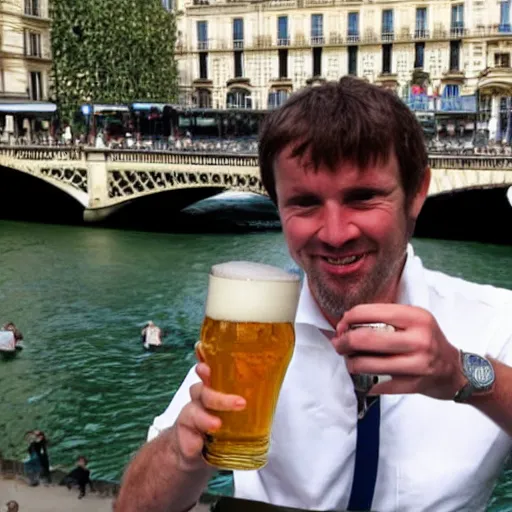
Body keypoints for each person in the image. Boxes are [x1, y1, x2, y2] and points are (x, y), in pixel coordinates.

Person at [116, 78, 512, 512]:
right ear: (277, 206)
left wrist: (465, 376)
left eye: (363, 198)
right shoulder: (250, 337)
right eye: (304, 203)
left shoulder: (495, 321)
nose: (336, 233)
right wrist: (181, 451)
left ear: (417, 193)